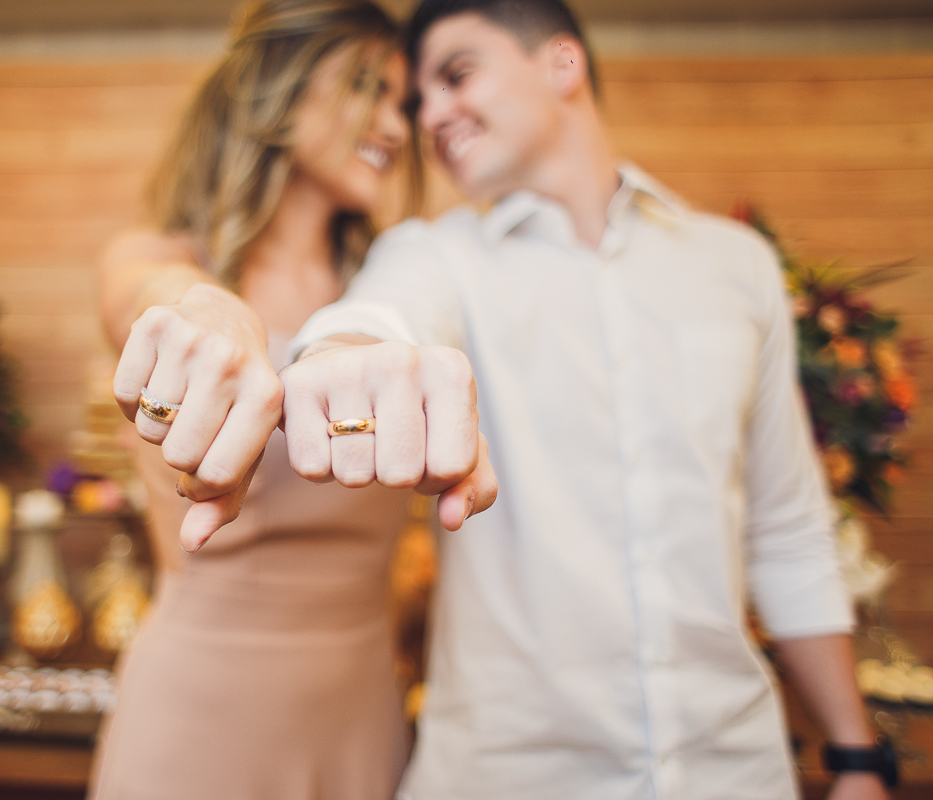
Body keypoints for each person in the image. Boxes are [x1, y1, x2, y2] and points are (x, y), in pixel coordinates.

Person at [115, 1, 891, 799]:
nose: (424, 118)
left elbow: (790, 530)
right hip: (488, 770)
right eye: (409, 98)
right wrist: (337, 350)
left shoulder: (738, 268)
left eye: (454, 76)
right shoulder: (432, 256)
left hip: (733, 769)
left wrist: (856, 755)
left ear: (562, 64)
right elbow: (374, 318)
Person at [89, 2, 495, 798]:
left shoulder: (398, 297)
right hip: (192, 717)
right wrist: (205, 310)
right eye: (365, 86)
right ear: (278, 90)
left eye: (402, 104)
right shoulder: (157, 261)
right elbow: (147, 293)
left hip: (359, 715)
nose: (393, 123)